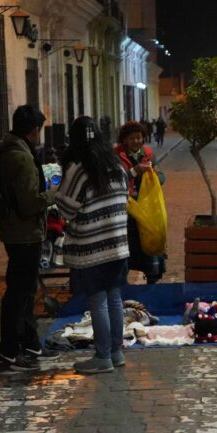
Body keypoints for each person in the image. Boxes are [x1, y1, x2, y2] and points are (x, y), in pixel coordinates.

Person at [56, 116, 130, 374]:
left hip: (93, 248)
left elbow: (66, 208)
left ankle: (102, 357)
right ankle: (116, 352)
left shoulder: (79, 169)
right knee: (115, 298)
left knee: (97, 300)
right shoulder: (117, 165)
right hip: (118, 246)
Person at [0, 105, 61, 371]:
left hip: (21, 232)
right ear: (33, 131)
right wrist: (53, 193)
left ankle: (30, 343)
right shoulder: (19, 157)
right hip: (22, 234)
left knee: (25, 290)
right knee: (19, 293)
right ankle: (10, 353)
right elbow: (29, 202)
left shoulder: (14, 151)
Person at [114, 121, 167, 283]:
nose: (136, 141)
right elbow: (115, 179)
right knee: (126, 248)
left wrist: (155, 176)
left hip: (146, 208)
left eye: (139, 138)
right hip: (126, 208)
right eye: (132, 138)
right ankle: (123, 283)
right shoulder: (116, 155)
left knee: (150, 239)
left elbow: (162, 177)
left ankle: (152, 277)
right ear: (124, 140)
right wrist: (134, 171)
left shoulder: (149, 154)